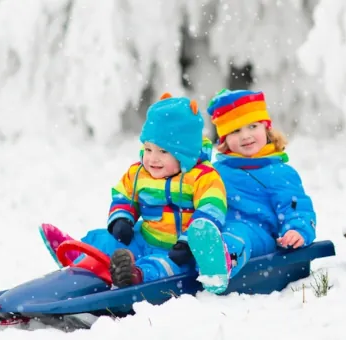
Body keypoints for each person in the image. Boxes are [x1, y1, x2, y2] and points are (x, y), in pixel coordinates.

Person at [39, 92, 231, 294]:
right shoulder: (138, 173)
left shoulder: (203, 177)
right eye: (148, 149)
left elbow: (211, 210)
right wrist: (121, 219)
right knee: (104, 239)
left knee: (163, 266)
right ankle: (79, 258)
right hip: (145, 237)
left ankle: (135, 276)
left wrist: (187, 243)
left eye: (163, 152)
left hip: (178, 250)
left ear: (185, 154)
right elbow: (124, 196)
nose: (152, 159)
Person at [206, 88, 317, 278]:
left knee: (237, 234)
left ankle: (219, 265)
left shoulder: (280, 173)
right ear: (224, 139)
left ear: (266, 128)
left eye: (253, 126)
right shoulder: (215, 171)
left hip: (258, 235)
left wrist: (297, 230)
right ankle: (144, 267)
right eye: (235, 130)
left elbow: (295, 206)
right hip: (213, 227)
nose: (245, 136)